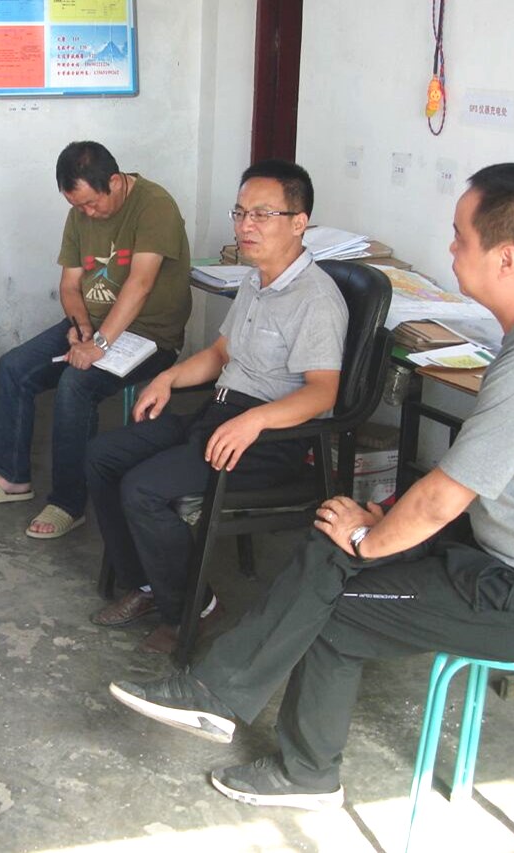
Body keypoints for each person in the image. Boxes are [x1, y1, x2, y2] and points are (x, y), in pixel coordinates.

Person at [108, 163, 514, 811]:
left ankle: (305, 771)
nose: (450, 248)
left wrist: (373, 537)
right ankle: (213, 694)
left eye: (461, 237)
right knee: (331, 538)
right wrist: (372, 528)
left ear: (507, 258)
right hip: (512, 553)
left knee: (334, 605)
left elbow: (444, 496)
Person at [86, 160, 347, 654]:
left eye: (262, 214)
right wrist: (168, 378)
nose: (246, 225)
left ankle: (193, 607)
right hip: (219, 415)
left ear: (299, 222)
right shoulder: (255, 280)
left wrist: (255, 421)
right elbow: (220, 354)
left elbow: (322, 393)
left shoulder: (316, 300)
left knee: (143, 489)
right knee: (103, 455)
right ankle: (148, 584)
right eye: (240, 212)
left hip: (267, 440)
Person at [0, 141, 192, 539]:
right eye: (77, 205)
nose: (87, 213)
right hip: (96, 325)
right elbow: (70, 285)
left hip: (149, 334)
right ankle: (12, 478)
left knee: (76, 383)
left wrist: (98, 345)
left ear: (115, 182)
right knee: (14, 367)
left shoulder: (155, 206)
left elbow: (140, 284)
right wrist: (81, 325)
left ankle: (69, 503)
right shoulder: (79, 213)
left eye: (91, 204)